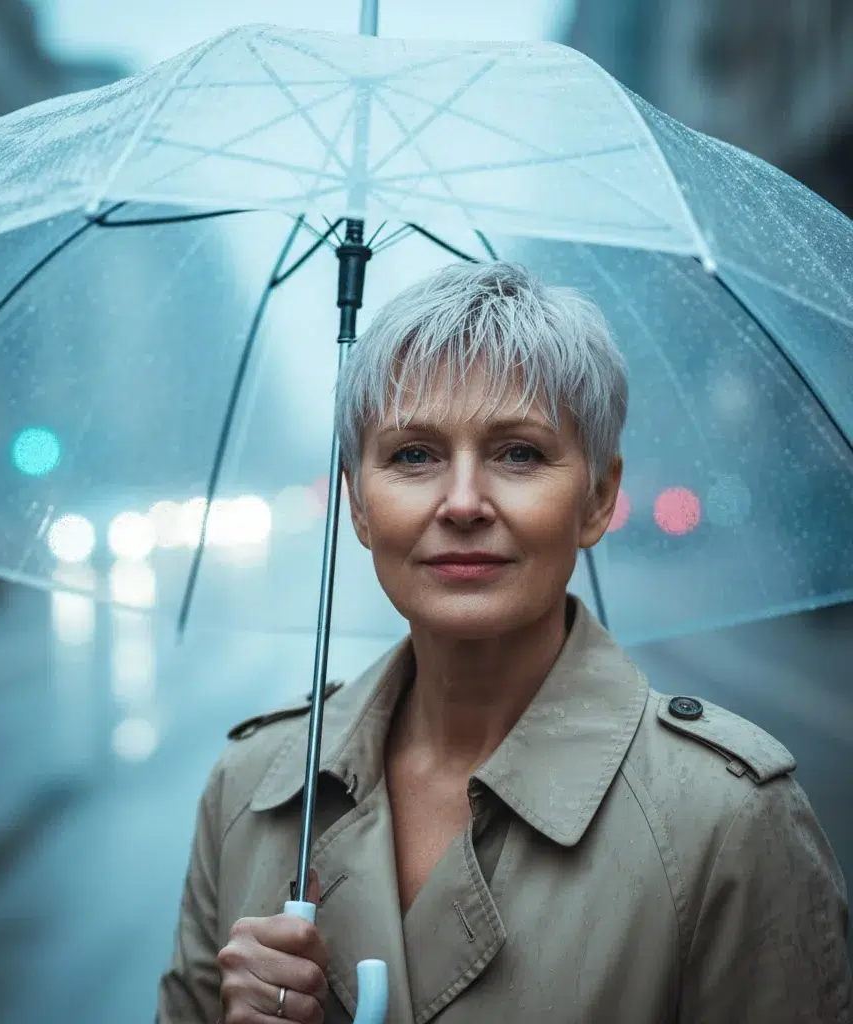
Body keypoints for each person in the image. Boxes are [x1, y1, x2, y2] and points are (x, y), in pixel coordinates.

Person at [157, 261, 851, 1023]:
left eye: (518, 453)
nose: (461, 503)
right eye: (413, 455)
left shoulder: (727, 822)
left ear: (598, 498)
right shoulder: (251, 794)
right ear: (358, 506)